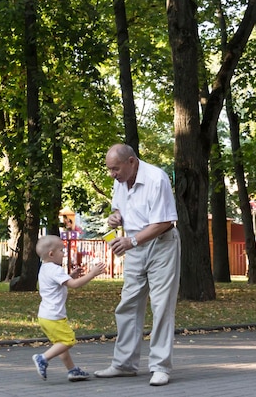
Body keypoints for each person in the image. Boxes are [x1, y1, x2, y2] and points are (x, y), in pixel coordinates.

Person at [94, 144, 181, 386]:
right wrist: (114, 217)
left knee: (162, 305)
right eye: (110, 170)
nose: (112, 174)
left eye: (116, 169)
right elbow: (118, 209)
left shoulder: (156, 179)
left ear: (131, 162)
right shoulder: (120, 181)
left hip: (161, 245)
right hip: (133, 246)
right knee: (128, 303)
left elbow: (164, 222)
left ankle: (161, 366)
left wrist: (131, 241)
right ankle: (124, 364)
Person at [32, 235, 106, 382]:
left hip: (45, 315)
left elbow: (60, 283)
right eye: (61, 250)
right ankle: (43, 358)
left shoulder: (45, 268)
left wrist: (70, 275)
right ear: (51, 254)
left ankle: (72, 370)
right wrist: (92, 274)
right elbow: (74, 285)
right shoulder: (55, 269)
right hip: (54, 316)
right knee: (68, 341)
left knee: (60, 343)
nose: (64, 253)